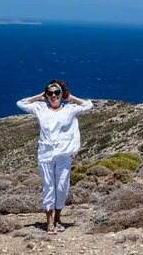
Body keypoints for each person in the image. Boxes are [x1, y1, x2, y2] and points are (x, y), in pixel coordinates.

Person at [16, 79, 93, 235]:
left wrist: (69, 97)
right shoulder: (40, 109)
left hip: (64, 154)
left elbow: (88, 105)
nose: (53, 96)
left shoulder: (70, 109)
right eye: (50, 93)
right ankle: (49, 221)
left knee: (62, 186)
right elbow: (21, 103)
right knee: (49, 186)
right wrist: (39, 96)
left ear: (60, 94)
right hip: (45, 154)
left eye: (56, 92)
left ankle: (58, 218)